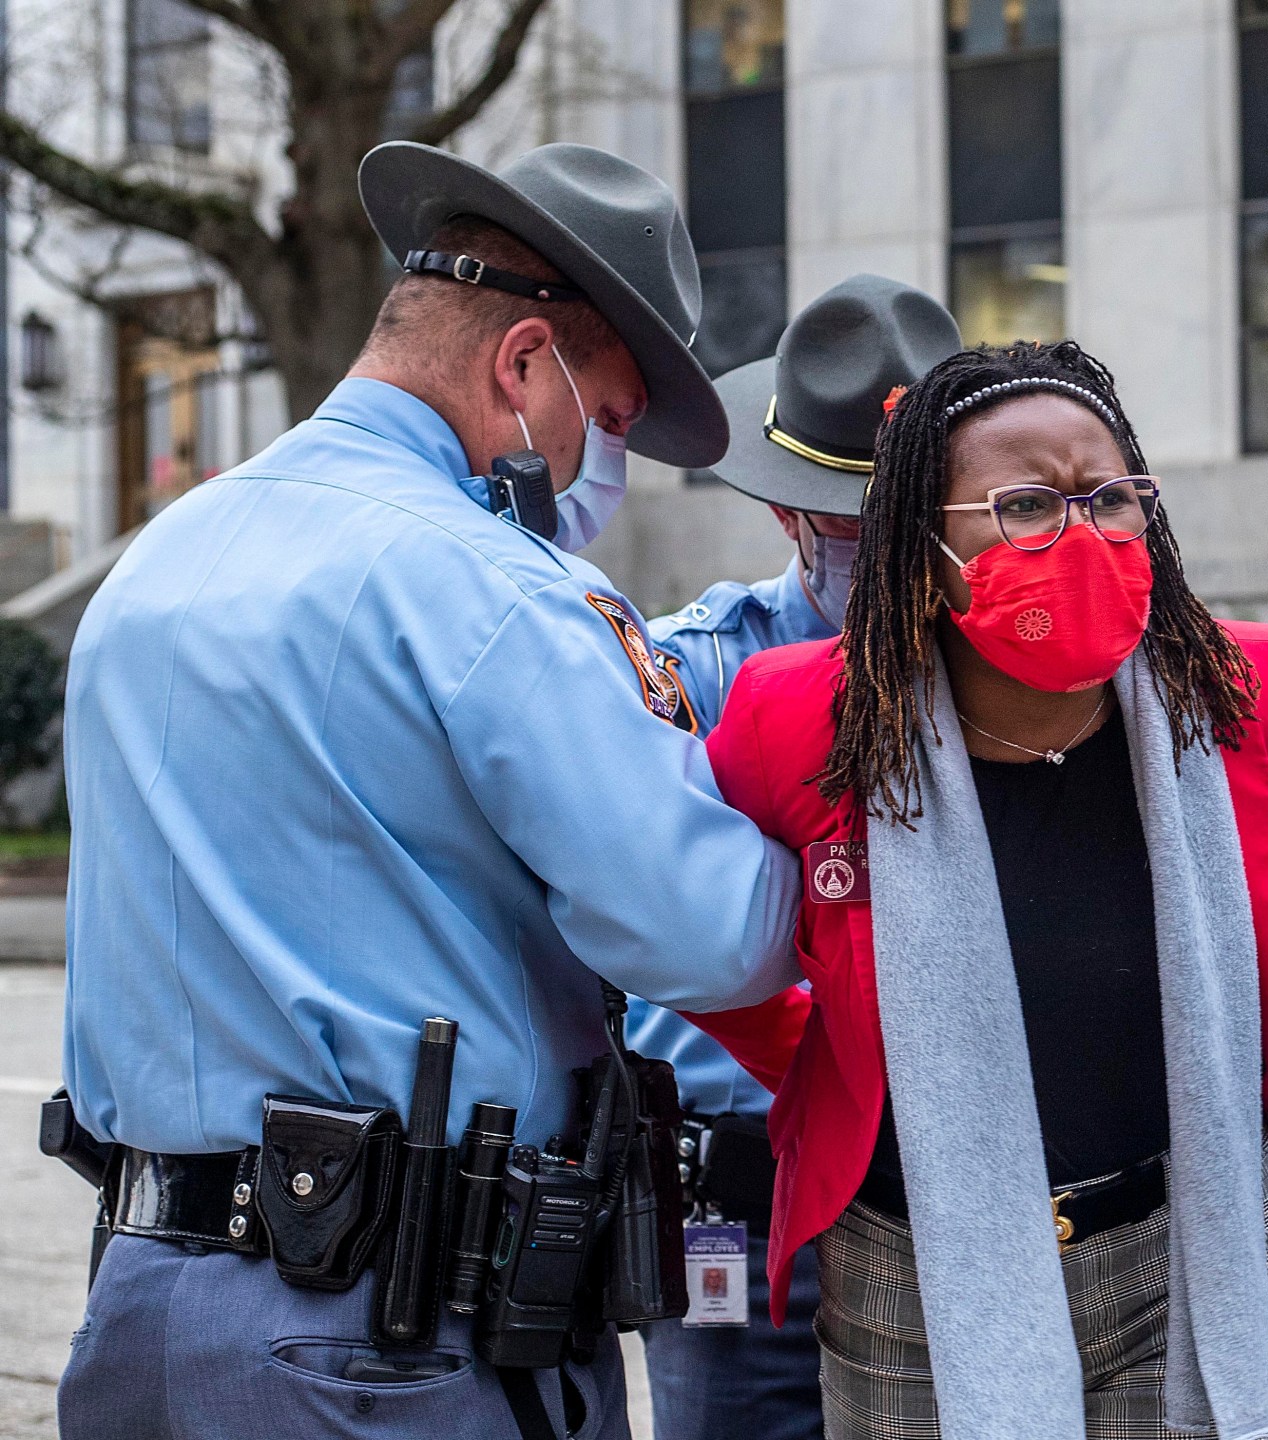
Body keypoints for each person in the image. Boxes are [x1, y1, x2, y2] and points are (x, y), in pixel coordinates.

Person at [54, 141, 804, 1439]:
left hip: (145, 1306)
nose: (598, 461)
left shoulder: (162, 557)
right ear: (523, 365)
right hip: (386, 1343)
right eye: (608, 418)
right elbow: (707, 935)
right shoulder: (498, 588)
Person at [681, 342, 1268, 1438]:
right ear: (923, 551)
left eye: (1111, 497)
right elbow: (695, 948)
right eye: (1023, 506)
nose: (1079, 533)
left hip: (1195, 1241)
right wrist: (849, 1051)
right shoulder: (796, 720)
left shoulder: (1239, 686)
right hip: (911, 1265)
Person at [626, 274, 961, 1440]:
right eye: (862, 534)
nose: (900, 563)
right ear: (790, 519)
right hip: (738, 1181)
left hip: (944, 1180)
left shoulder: (1011, 682)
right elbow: (662, 930)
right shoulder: (696, 675)